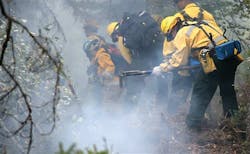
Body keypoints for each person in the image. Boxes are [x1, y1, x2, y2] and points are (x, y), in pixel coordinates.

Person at [152, 13, 243, 130]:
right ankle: (234, 123)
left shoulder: (182, 33)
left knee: (200, 92)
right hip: (230, 55)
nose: (171, 39)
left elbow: (179, 60)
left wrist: (161, 68)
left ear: (173, 28)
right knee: (227, 91)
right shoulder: (200, 24)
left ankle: (192, 126)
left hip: (215, 59)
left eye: (169, 36)